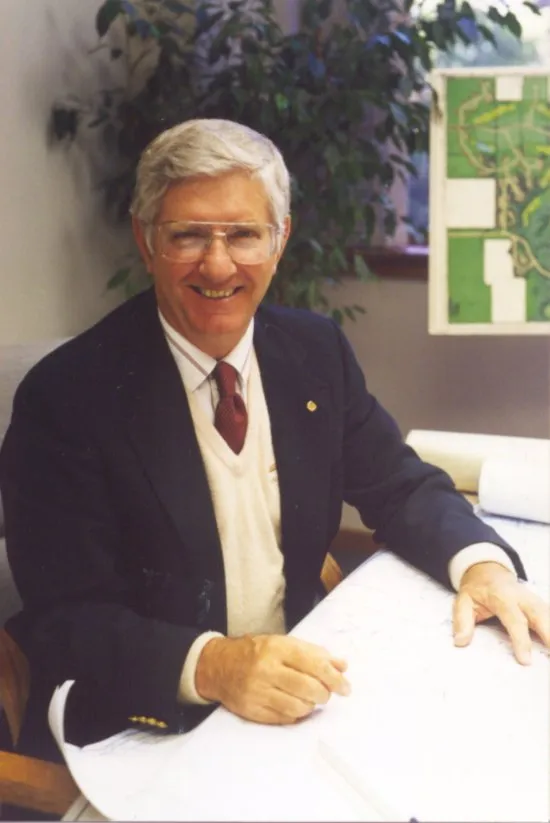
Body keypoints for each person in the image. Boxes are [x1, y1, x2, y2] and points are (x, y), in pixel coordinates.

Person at [1, 119, 548, 765]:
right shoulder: (66, 397)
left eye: (243, 234)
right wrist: (216, 665)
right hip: (143, 725)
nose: (219, 263)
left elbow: (399, 483)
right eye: (187, 236)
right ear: (146, 243)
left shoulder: (314, 350)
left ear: (280, 238)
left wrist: (483, 567)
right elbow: (68, 619)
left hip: (300, 699)